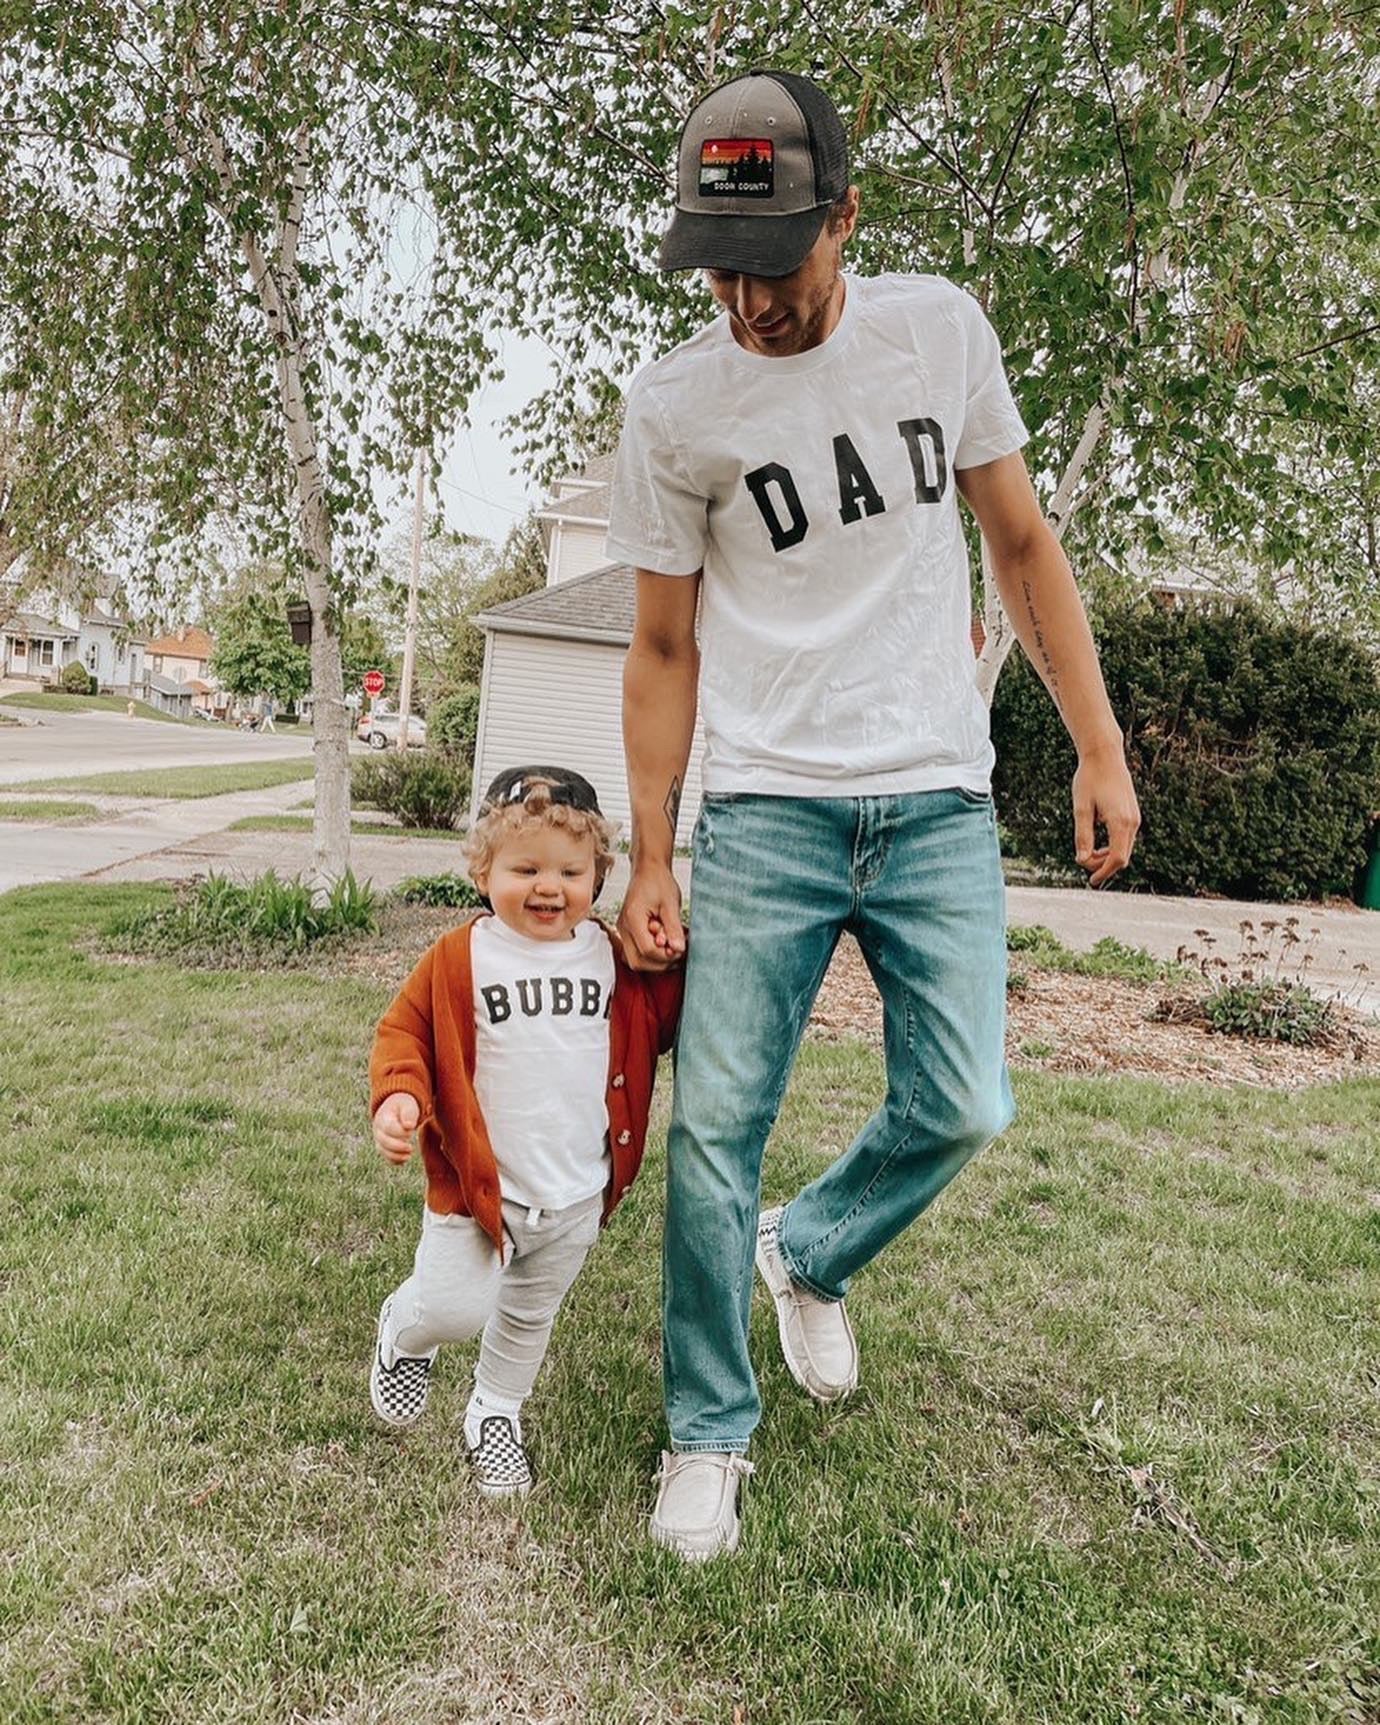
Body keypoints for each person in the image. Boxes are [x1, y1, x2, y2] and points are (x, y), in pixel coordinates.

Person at [607, 68, 1141, 1561]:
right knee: (715, 1127)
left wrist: (1097, 746)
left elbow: (1023, 546)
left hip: (933, 794)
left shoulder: (938, 332)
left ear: (845, 216)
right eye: (716, 261)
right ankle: (708, 1433)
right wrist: (654, 850)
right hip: (768, 803)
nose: (744, 297)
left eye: (772, 260)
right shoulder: (674, 403)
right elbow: (661, 648)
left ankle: (812, 1250)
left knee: (966, 1099)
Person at [367, 766, 682, 1494]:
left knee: (527, 1316)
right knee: (454, 1307)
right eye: (526, 868)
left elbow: (662, 1023)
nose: (549, 886)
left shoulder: (612, 957)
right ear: (483, 870)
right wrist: (398, 1098)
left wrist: (670, 959)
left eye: (571, 871)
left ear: (600, 876)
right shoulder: (460, 957)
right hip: (480, 1191)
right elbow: (404, 1033)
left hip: (575, 1191)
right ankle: (405, 1328)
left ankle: (495, 1413)